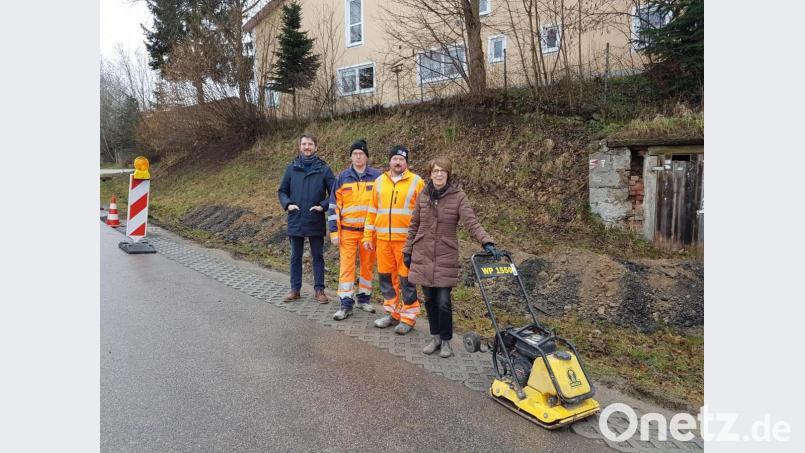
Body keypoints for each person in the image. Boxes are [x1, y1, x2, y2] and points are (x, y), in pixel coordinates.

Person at [403, 156, 499, 358]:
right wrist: (407, 250)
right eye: (435, 171)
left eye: (443, 171)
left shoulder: (458, 196)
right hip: (423, 253)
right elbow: (414, 224)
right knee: (429, 299)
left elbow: (471, 222)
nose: (439, 174)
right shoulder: (423, 194)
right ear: (430, 174)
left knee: (444, 301)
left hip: (445, 255)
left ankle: (446, 341)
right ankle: (435, 337)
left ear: (448, 174)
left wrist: (486, 241)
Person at [362, 145, 425, 335]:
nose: (398, 162)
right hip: (383, 241)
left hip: (406, 242)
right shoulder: (379, 181)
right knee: (386, 279)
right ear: (389, 161)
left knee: (406, 280)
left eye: (401, 159)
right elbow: (372, 211)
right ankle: (393, 313)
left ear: (406, 162)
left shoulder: (417, 182)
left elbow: (424, 213)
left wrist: (420, 239)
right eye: (395, 159)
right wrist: (368, 236)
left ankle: (408, 318)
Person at [278, 133, 336, 304]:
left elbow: (335, 193)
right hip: (296, 218)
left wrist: (322, 206)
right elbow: (282, 191)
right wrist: (288, 204)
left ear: (316, 147)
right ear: (300, 146)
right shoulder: (291, 168)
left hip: (315, 218)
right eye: (304, 144)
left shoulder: (324, 169)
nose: (307, 147)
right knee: (295, 256)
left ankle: (319, 290)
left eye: (310, 144)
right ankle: (295, 290)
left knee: (318, 256)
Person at [328, 139, 382, 320]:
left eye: (361, 153)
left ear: (367, 157)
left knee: (367, 266)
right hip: (347, 232)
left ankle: (364, 299)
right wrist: (334, 232)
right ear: (351, 157)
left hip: (369, 233)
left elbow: (382, 205)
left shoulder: (378, 177)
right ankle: (346, 304)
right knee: (346, 267)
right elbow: (334, 207)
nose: (358, 157)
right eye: (355, 154)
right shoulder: (342, 178)